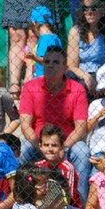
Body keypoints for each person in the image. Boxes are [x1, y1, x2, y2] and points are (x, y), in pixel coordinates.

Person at [19, 46, 90, 182]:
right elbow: (25, 125)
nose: (50, 65)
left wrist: (63, 147)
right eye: (47, 62)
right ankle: (22, 192)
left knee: (82, 152)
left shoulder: (77, 89)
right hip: (38, 143)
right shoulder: (30, 87)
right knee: (24, 148)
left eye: (56, 62)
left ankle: (79, 195)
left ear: (65, 68)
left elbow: (81, 127)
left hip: (67, 143)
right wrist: (40, 146)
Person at [33, 124, 81, 208]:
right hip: (39, 206)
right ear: (40, 146)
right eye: (46, 145)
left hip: (66, 207)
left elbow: (68, 197)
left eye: (54, 145)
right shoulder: (37, 166)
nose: (50, 149)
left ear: (61, 147)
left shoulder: (67, 168)